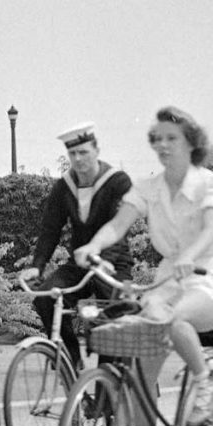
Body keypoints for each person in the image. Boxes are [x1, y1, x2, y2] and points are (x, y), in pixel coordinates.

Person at [73, 106, 213, 426]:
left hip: (209, 279)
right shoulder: (148, 188)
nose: (163, 146)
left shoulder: (211, 183)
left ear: (191, 143)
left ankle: (205, 385)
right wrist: (94, 244)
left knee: (176, 320)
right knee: (141, 374)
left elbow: (211, 228)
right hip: (168, 280)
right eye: (158, 139)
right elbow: (118, 224)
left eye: (172, 139)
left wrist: (188, 255)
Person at [31, 126, 134, 360]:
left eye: (83, 152)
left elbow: (118, 227)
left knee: (110, 320)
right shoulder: (64, 186)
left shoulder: (117, 181)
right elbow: (49, 229)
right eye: (73, 154)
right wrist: (37, 265)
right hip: (79, 263)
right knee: (46, 297)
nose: (78, 159)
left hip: (114, 263)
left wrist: (105, 260)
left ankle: (108, 385)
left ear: (96, 150)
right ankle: (70, 357)